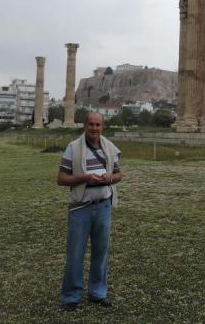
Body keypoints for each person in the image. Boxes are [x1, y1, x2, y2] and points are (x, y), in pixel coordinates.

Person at [57, 112, 123, 311]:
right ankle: (71, 297)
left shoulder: (109, 148)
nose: (95, 128)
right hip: (81, 208)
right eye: (91, 124)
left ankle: (98, 292)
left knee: (101, 252)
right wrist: (84, 178)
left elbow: (120, 174)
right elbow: (61, 178)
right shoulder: (73, 148)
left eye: (98, 125)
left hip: (103, 206)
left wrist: (110, 177)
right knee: (75, 254)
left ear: (102, 127)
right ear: (84, 125)